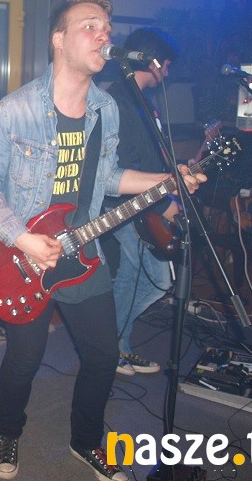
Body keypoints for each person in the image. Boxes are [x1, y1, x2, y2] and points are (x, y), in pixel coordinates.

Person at [0, 0, 206, 481]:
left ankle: (85, 439)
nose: (104, 34)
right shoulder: (12, 111)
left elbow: (108, 176)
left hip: (84, 252)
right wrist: (23, 238)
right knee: (24, 359)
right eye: (90, 25)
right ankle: (8, 432)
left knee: (103, 356)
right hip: (25, 257)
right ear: (58, 39)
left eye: (107, 27)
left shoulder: (106, 109)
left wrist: (168, 181)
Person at [100, 27, 180, 376]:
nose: (168, 73)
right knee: (155, 279)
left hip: (145, 201)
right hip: (125, 205)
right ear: (153, 61)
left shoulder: (141, 100)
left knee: (138, 276)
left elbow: (150, 158)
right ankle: (109, 346)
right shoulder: (119, 102)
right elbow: (125, 163)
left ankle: (118, 346)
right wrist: (164, 205)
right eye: (167, 65)